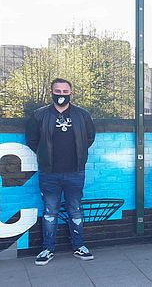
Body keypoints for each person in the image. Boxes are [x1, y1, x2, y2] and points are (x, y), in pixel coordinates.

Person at [26, 78, 96, 265]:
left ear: (71, 93)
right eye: (58, 91)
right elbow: (32, 140)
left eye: (66, 92)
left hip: (75, 172)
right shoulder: (39, 115)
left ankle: (79, 246)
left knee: (76, 210)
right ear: (52, 92)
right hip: (49, 173)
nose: (62, 95)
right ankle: (47, 249)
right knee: (50, 212)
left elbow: (89, 138)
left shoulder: (83, 115)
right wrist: (45, 156)